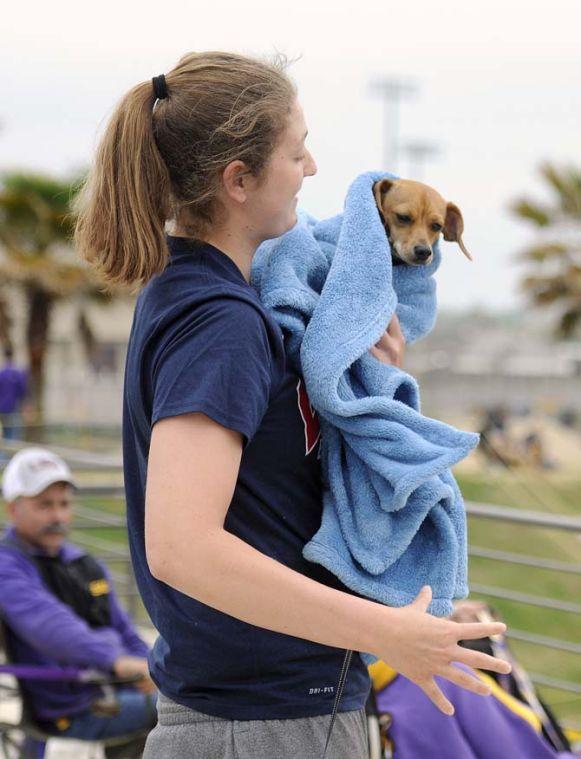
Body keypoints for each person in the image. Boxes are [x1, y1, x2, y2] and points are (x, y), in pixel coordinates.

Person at [73, 50, 511, 759]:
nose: (311, 170)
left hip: (261, 713)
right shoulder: (220, 320)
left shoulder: (206, 293)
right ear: (237, 179)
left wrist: (361, 375)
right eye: (296, 151)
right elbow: (182, 546)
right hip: (262, 724)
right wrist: (385, 632)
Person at [0, 446, 157, 752]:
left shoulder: (84, 563)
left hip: (110, 691)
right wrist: (117, 661)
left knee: (180, 692)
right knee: (186, 707)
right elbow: (51, 625)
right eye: (44, 505)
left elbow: (124, 629)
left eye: (64, 503)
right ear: (12, 509)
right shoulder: (7, 566)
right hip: (71, 708)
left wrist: (151, 666)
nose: (58, 515)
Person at [0, 346, 28, 445]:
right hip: (13, 408)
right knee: (13, 437)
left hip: (2, 409)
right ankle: (9, 458)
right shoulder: (18, 373)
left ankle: (3, 458)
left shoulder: (1, 373)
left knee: (4, 435)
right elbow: (23, 391)